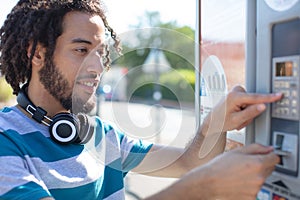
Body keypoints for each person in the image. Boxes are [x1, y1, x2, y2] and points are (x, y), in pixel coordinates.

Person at [0, 1, 283, 200]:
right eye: (82, 49)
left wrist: (215, 124)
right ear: (37, 54)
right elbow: (196, 177)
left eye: (101, 53)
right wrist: (203, 187)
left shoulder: (100, 135)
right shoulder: (4, 140)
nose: (98, 68)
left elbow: (187, 164)